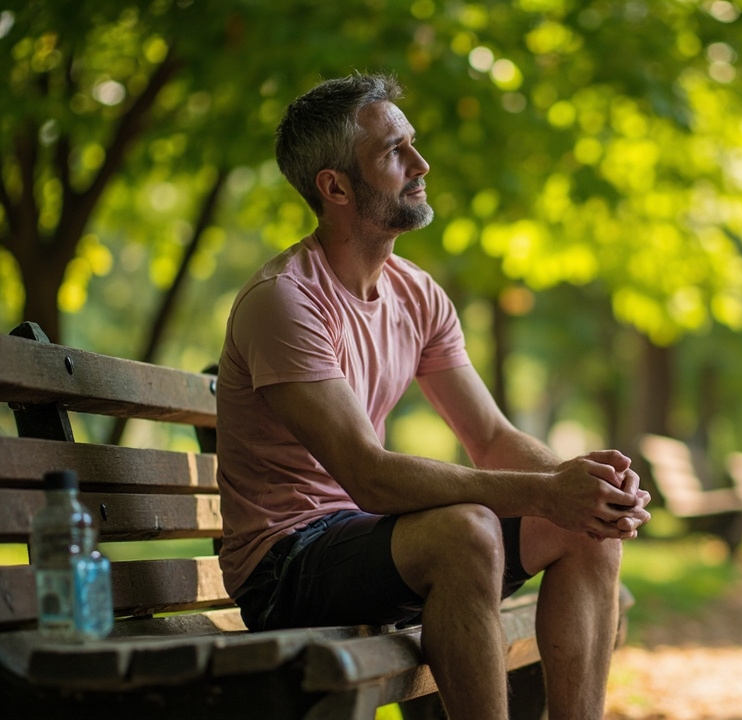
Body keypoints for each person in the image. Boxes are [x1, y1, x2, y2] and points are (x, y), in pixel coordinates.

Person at [214, 72, 652, 720]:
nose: (421, 165)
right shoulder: (286, 301)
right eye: (395, 152)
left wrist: (583, 488)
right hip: (287, 564)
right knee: (465, 532)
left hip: (370, 541)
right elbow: (369, 475)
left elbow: (492, 438)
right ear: (335, 187)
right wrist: (545, 493)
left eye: (412, 144)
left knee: (584, 528)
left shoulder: (416, 293)